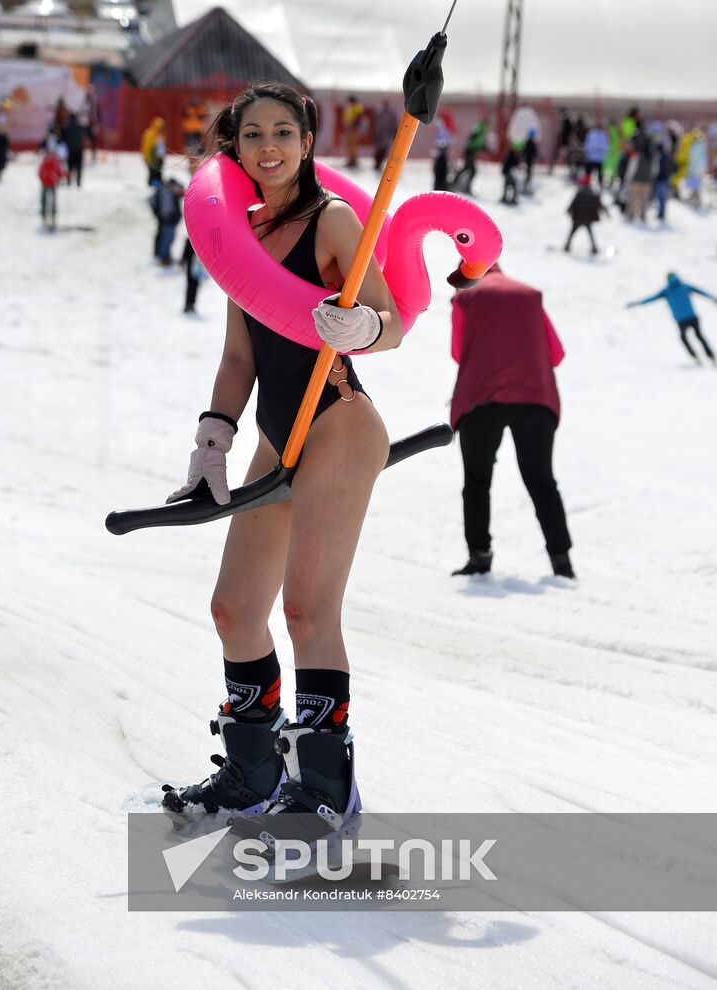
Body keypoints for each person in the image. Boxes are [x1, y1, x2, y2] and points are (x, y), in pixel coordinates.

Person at [160, 82, 402, 828]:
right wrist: (212, 441)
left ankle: (327, 792)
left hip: (337, 422)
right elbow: (239, 358)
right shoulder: (243, 237)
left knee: (306, 609)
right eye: (252, 134)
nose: (268, 145)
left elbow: (391, 323)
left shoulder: (331, 222)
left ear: (306, 142)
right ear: (233, 147)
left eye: (284, 132)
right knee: (233, 608)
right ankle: (252, 774)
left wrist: (358, 326)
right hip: (274, 432)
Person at [449, 264, 574, 579]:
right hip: (535, 397)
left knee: (477, 481)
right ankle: (562, 562)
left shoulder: (466, 296)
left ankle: (479, 556)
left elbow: (457, 352)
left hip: (482, 398)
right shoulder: (529, 295)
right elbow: (556, 354)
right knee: (542, 481)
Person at [627, 273, 716, 363]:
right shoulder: (684, 286)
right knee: (699, 336)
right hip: (691, 317)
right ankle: (711, 355)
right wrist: (712, 298)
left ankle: (695, 356)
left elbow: (651, 298)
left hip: (681, 320)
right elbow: (701, 291)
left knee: (684, 338)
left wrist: (637, 303)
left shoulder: (667, 291)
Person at [564, 175, 607, 254]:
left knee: (572, 233)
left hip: (578, 218)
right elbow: (600, 204)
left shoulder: (579, 193)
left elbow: (573, 203)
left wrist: (568, 210)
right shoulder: (593, 194)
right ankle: (594, 248)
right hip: (588, 219)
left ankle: (567, 246)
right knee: (590, 234)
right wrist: (606, 212)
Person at [150, 177, 184, 265]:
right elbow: (165, 207)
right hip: (168, 220)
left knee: (168, 238)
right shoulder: (165, 192)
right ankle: (164, 258)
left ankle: (164, 256)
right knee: (167, 239)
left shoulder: (168, 191)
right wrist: (163, 216)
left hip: (169, 220)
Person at [451, 117, 488, 194]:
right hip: (470, 152)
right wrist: (472, 149)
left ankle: (456, 182)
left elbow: (479, 144)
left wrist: (485, 150)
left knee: (467, 168)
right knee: (472, 170)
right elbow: (472, 140)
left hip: (471, 152)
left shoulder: (481, 131)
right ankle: (464, 186)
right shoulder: (478, 129)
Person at [38, 140, 69, 229]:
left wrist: (66, 175)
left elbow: (59, 172)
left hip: (52, 183)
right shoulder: (44, 162)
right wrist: (42, 178)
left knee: (53, 201)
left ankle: (53, 217)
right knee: (44, 200)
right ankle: (44, 216)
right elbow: (40, 172)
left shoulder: (55, 162)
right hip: (45, 183)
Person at [181, 238, 206, 313]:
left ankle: (192, 304)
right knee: (190, 285)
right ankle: (188, 304)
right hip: (191, 265)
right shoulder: (190, 239)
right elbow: (186, 252)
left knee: (195, 286)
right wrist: (183, 261)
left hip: (199, 267)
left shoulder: (203, 239)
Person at [653, 141, 675, 221]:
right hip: (665, 179)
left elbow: (657, 169)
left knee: (661, 198)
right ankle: (661, 213)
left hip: (661, 179)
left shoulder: (661, 157)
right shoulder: (667, 156)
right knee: (661, 198)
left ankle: (661, 214)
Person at [373, 99, 397, 171]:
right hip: (380, 134)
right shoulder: (379, 113)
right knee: (378, 150)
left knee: (385, 149)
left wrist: (394, 133)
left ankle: (380, 163)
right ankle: (377, 163)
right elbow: (376, 125)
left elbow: (394, 124)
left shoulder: (391, 114)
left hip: (388, 134)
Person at [141, 116, 166, 187]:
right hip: (152, 158)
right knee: (152, 172)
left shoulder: (162, 135)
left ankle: (158, 185)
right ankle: (151, 185)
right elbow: (146, 148)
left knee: (158, 172)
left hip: (159, 158)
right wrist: (147, 158)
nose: (161, 129)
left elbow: (163, 148)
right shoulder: (149, 134)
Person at [62, 112, 85, 187]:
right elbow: (85, 135)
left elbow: (63, 139)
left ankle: (68, 182)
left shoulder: (66, 127)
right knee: (79, 168)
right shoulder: (80, 127)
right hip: (79, 150)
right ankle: (78, 183)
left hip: (70, 150)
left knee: (69, 167)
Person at [583, 121, 608, 188]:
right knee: (599, 173)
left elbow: (587, 145)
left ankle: (587, 184)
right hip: (599, 158)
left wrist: (587, 153)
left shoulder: (591, 134)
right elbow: (605, 146)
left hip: (592, 157)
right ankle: (599, 184)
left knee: (589, 172)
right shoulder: (602, 135)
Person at [343, 95, 364, 167]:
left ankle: (353, 160)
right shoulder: (351, 107)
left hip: (353, 128)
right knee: (349, 145)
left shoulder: (357, 106)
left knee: (352, 145)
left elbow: (358, 118)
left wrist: (353, 125)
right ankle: (351, 159)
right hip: (350, 128)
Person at [500, 140, 521, 204]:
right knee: (512, 184)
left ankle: (505, 198)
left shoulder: (513, 153)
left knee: (508, 185)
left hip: (507, 172)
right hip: (507, 172)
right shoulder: (511, 154)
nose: (519, 150)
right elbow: (511, 163)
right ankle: (512, 199)